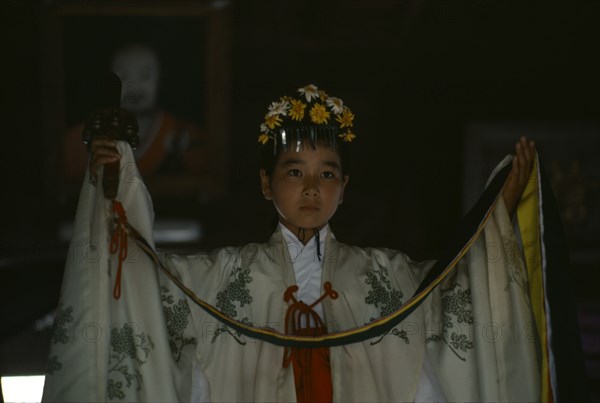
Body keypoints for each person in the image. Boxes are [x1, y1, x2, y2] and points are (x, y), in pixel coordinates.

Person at [45, 84, 554, 402]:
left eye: (327, 173)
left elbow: (461, 297)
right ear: (267, 184)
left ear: (344, 188)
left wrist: (499, 215)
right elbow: (138, 293)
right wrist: (117, 192)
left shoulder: (391, 277)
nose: (311, 188)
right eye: (294, 172)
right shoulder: (220, 277)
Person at [62, 44, 211, 202]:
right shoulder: (78, 140)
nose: (134, 87)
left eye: (145, 76)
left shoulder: (187, 135)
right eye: (123, 76)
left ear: (161, 78)